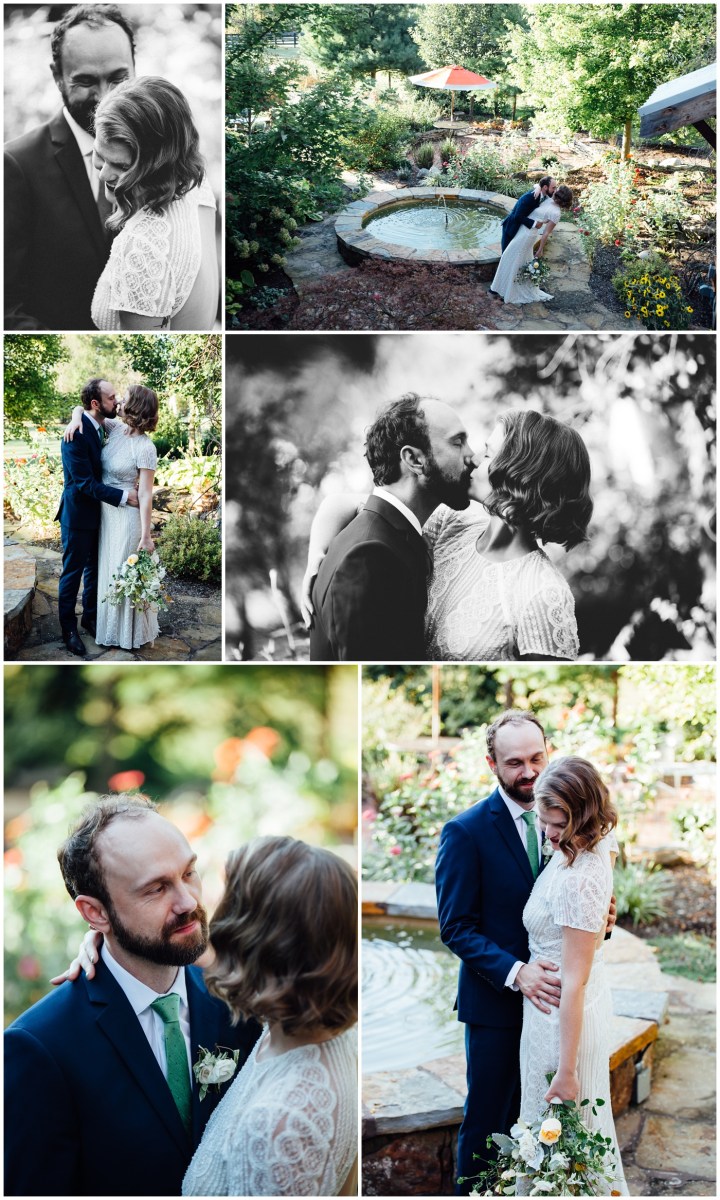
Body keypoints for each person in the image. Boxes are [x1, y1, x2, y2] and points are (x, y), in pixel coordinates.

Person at [4, 795, 261, 1196]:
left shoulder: (240, 1002)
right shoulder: (40, 1047)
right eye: (156, 889)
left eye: (189, 873)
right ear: (95, 913)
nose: (189, 902)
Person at [434, 711, 617, 1194]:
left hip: (557, 1010)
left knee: (544, 1124)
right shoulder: (465, 831)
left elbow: (574, 902)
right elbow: (455, 927)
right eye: (515, 762)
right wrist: (519, 973)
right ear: (491, 763)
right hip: (497, 1004)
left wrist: (601, 921)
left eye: (537, 757)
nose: (529, 771)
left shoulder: (569, 818)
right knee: (488, 1122)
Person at [303, 408, 592, 662]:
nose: (474, 459)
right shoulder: (451, 522)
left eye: (488, 452)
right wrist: (315, 559)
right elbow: (343, 504)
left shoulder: (542, 592)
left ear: (520, 473)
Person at [183, 836, 358, 1196]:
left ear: (255, 937)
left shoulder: (278, 1124)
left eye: (228, 899)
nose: (200, 904)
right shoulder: (313, 1026)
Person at [521, 756, 628, 1194]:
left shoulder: (579, 876)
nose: (547, 834)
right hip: (551, 1012)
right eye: (543, 821)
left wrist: (566, 1071)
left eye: (556, 823)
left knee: (562, 1145)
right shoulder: (587, 848)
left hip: (560, 1024)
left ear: (582, 814)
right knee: (557, 1148)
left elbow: (576, 980)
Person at [308, 393, 476, 661]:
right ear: (414, 459)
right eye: (458, 442)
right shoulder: (368, 557)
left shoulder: (393, 536)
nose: (472, 456)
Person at [4, 5, 136, 330]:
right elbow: (7, 307)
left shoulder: (158, 152)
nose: (106, 97)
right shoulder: (16, 165)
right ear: (57, 76)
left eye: (118, 78)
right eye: (87, 81)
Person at [90, 76, 218, 330]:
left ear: (158, 166)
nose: (104, 174)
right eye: (100, 154)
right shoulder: (195, 186)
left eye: (122, 166)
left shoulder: (143, 245)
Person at [65, 384, 161, 650]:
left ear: (135, 406)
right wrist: (74, 417)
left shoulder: (145, 447)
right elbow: (86, 409)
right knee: (106, 572)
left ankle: (126, 634)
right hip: (106, 516)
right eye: (116, 397)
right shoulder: (116, 429)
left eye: (124, 398)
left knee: (121, 573)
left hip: (127, 520)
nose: (118, 400)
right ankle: (104, 625)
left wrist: (146, 535)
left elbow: (144, 495)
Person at [55, 378, 139, 657]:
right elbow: (84, 484)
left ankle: (90, 618)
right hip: (78, 516)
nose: (117, 402)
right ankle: (68, 630)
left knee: (94, 569)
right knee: (73, 572)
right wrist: (125, 497)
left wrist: (75, 412)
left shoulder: (103, 425)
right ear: (96, 403)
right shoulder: (74, 436)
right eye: (112, 397)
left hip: (100, 514)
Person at [490, 185, 574, 304]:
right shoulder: (548, 199)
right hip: (521, 229)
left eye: (557, 189)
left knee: (509, 256)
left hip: (528, 235)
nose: (554, 190)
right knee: (514, 259)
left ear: (560, 195)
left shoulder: (556, 213)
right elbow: (540, 186)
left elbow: (545, 233)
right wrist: (537, 188)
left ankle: (505, 290)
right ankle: (501, 287)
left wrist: (540, 249)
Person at [498, 175, 556, 254]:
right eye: (553, 187)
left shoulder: (545, 196)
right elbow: (517, 216)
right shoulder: (529, 197)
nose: (554, 190)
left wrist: (538, 186)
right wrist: (535, 224)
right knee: (506, 254)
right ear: (545, 187)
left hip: (522, 230)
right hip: (511, 228)